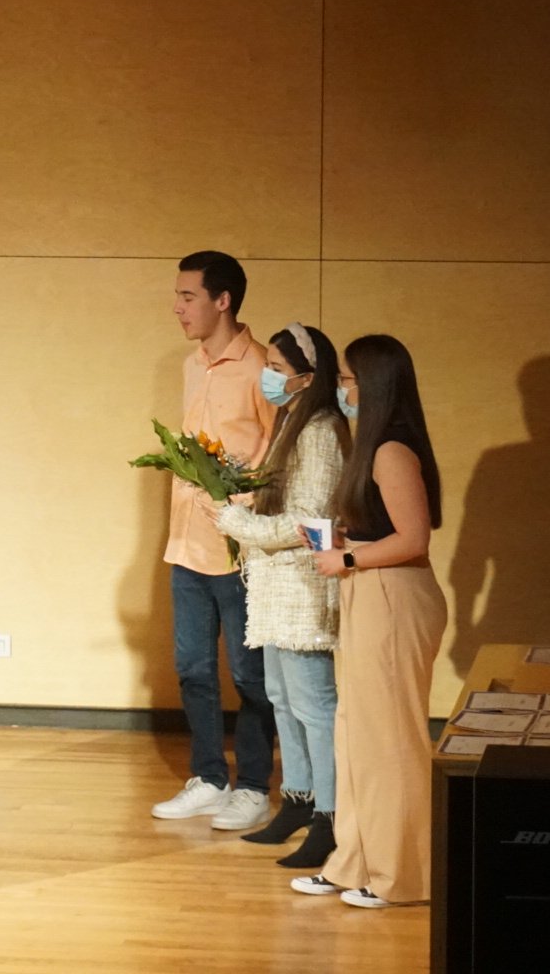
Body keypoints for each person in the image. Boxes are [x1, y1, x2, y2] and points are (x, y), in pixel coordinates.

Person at [289, 333, 445, 909]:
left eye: (349, 380)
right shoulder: (373, 446)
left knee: (391, 741)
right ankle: (354, 861)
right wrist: (343, 541)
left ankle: (401, 875)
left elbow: (414, 538)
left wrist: (347, 559)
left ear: (374, 386)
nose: (342, 390)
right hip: (370, 593)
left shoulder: (392, 450)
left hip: (394, 598)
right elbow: (384, 528)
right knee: (356, 733)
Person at [214, 323, 350, 867]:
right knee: (282, 697)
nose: (267, 377)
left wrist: (239, 523)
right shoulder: (293, 422)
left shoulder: (320, 430)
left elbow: (309, 520)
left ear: (307, 377)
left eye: (276, 367)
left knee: (314, 706)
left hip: (303, 585)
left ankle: (331, 816)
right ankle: (299, 798)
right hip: (276, 586)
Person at [150, 251, 278, 831]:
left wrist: (238, 507)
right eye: (177, 296)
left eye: (188, 297)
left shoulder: (263, 369)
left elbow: (277, 459)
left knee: (250, 676)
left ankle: (252, 786)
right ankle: (208, 777)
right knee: (194, 669)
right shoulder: (191, 365)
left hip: (239, 550)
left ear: (222, 300)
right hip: (186, 545)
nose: (177, 308)